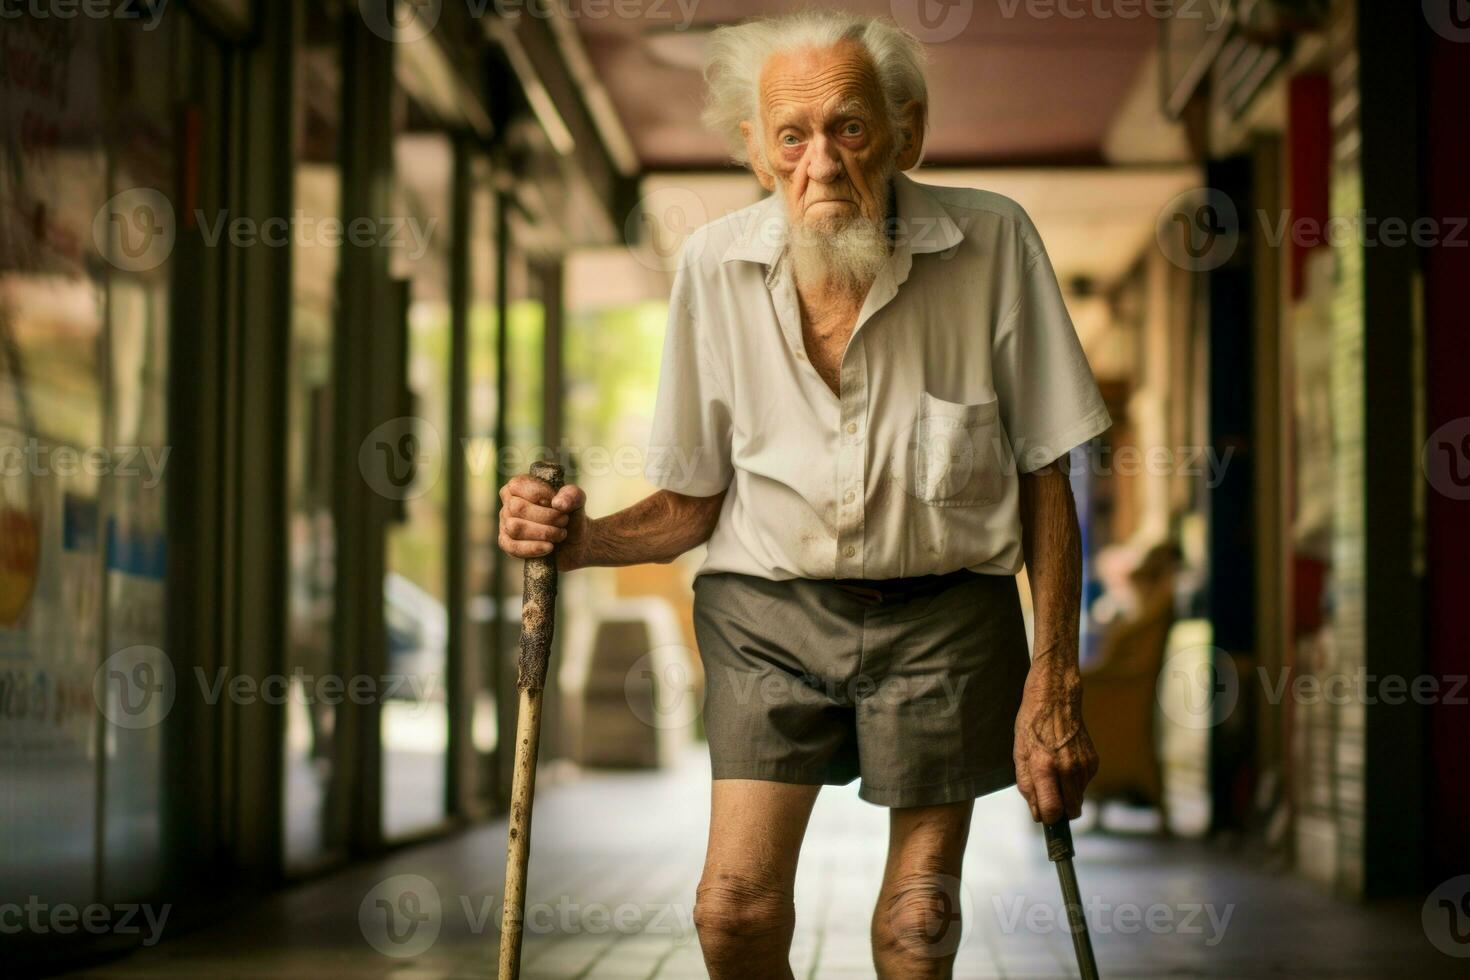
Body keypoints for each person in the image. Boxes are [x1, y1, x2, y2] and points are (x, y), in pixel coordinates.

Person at [497, 10, 1111, 977]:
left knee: (916, 925)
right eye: (792, 136)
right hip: (765, 616)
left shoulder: (994, 243)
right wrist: (571, 541)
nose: (820, 161)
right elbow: (692, 504)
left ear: (906, 132)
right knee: (732, 912)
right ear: (756, 151)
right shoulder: (712, 268)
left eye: (850, 129)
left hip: (949, 611)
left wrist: (1054, 678)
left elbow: (1046, 468)